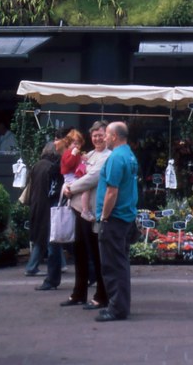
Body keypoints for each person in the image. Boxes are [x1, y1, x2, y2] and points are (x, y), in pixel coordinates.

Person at [60, 121, 110, 309]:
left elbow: (92, 178)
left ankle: (101, 295)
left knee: (96, 255)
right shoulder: (87, 154)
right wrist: (67, 184)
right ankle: (78, 293)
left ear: (107, 136)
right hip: (80, 211)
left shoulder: (107, 157)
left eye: (101, 134)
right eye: (95, 135)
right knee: (80, 253)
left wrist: (71, 188)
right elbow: (73, 170)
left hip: (94, 213)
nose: (97, 138)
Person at [94, 121, 139, 322]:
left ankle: (117, 309)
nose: (103, 138)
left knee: (112, 265)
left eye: (106, 134)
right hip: (126, 217)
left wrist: (104, 216)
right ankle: (120, 306)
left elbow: (112, 191)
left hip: (114, 219)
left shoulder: (116, 158)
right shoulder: (129, 155)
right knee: (121, 264)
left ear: (114, 137)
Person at [24, 141, 66, 281]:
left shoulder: (37, 165)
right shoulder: (53, 167)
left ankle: (61, 264)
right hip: (47, 205)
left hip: (36, 203)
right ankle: (32, 266)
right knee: (48, 236)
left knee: (48, 235)